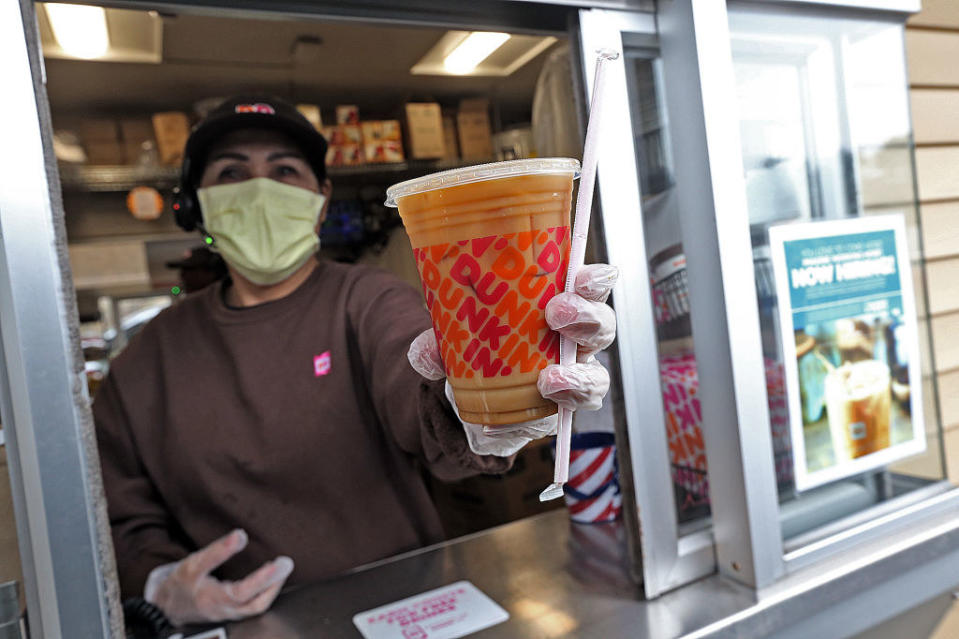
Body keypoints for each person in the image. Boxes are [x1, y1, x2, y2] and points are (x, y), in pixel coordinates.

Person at [93, 96, 618, 625]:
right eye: (232, 172)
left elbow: (415, 380)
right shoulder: (147, 359)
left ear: (321, 201)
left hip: (395, 612)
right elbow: (111, 510)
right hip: (239, 627)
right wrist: (159, 584)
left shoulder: (366, 300)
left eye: (283, 171)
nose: (260, 191)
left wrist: (478, 405)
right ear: (196, 203)